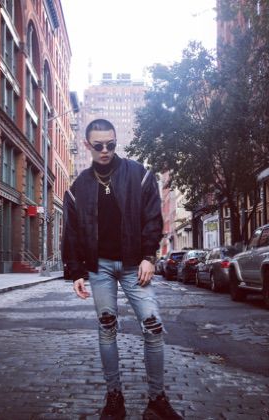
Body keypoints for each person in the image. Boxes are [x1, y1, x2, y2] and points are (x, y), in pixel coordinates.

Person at [62, 119, 183, 420]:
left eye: (111, 144)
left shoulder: (138, 174)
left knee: (153, 326)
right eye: (98, 145)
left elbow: (153, 217)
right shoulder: (78, 187)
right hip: (99, 267)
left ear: (116, 142)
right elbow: (72, 232)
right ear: (88, 145)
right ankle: (114, 397)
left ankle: (157, 400)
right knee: (107, 327)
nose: (105, 150)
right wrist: (76, 272)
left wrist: (149, 256)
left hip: (134, 265)